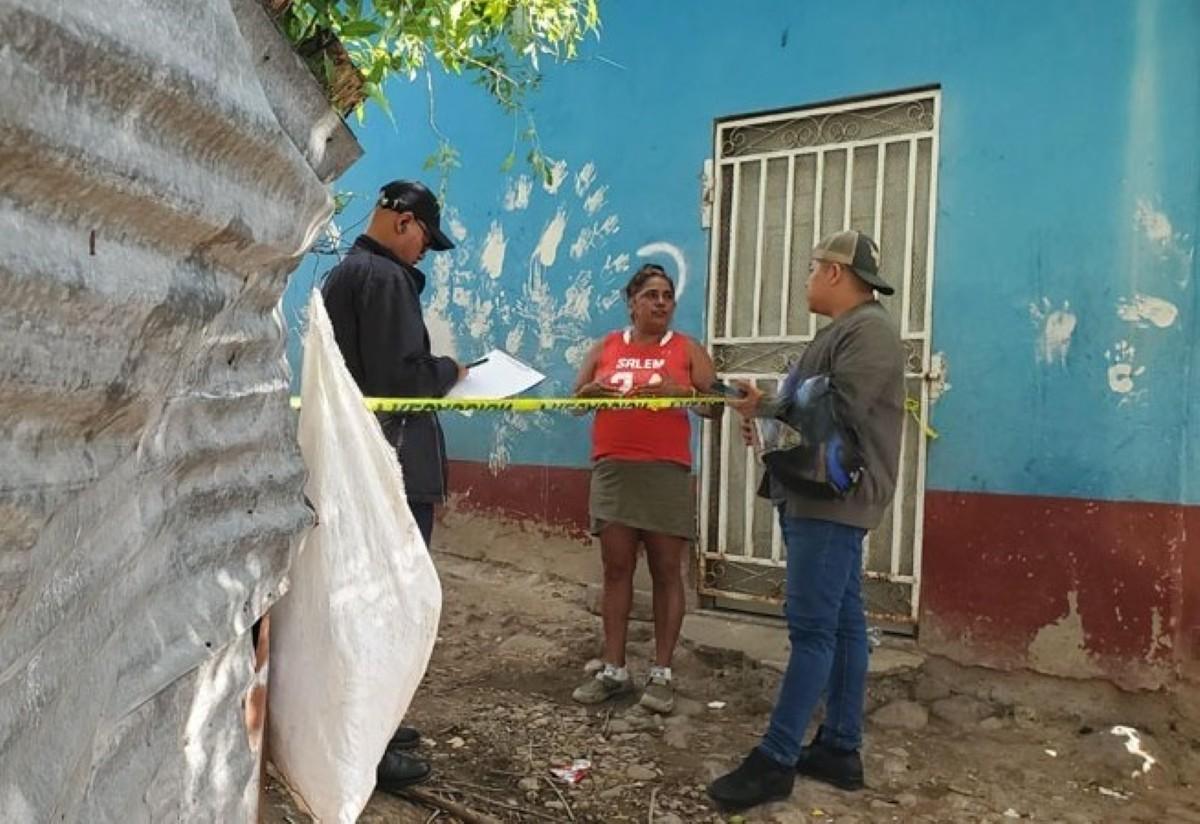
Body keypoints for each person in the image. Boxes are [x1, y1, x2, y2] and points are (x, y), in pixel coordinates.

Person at [707, 230, 904, 812]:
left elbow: (833, 410)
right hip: (816, 495)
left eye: (813, 267)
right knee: (842, 624)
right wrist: (763, 403)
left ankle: (776, 758)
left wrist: (776, 404)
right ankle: (840, 748)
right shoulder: (843, 333)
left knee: (812, 631)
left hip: (832, 500)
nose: (807, 277)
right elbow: (810, 403)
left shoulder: (870, 332)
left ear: (837, 273)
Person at [320, 179, 465, 791]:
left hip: (365, 463)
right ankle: (370, 752)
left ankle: (375, 723)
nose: (423, 255)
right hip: (393, 467)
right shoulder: (382, 280)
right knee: (387, 606)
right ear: (402, 223)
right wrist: (452, 370)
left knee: (370, 602)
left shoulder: (345, 274)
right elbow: (401, 380)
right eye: (425, 242)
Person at [570, 264, 722, 715]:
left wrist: (687, 392)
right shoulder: (606, 347)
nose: (661, 303)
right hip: (615, 470)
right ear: (631, 302)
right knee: (616, 569)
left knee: (666, 571)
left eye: (668, 296)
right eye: (651, 295)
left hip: (665, 472)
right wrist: (592, 393)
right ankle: (614, 669)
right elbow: (577, 401)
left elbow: (717, 407)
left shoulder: (688, 349)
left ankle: (661, 673)